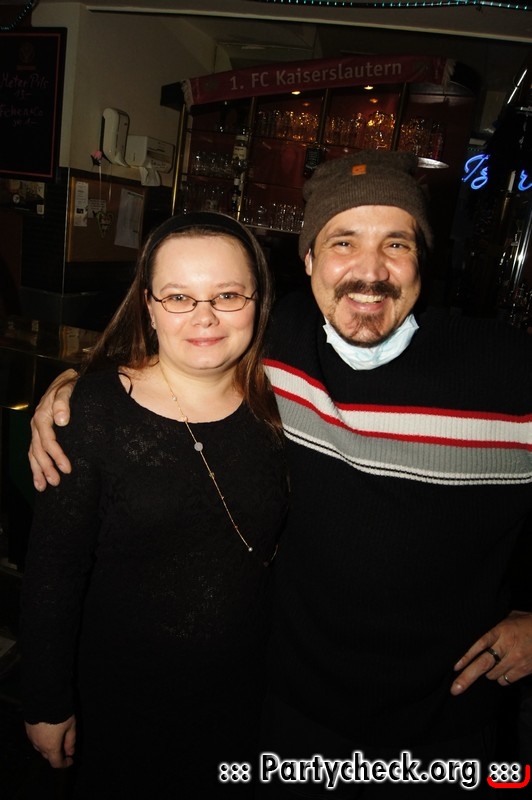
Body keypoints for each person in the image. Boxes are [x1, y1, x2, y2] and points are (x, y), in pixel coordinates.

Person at [28, 152, 532, 797]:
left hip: (445, 724)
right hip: (290, 713)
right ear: (309, 261)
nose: (370, 271)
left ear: (422, 261)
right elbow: (185, 336)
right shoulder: (281, 348)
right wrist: (74, 385)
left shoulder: (509, 371)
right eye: (343, 242)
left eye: (396, 244)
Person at [20, 211, 289, 799]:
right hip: (119, 700)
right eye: (178, 297)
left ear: (258, 300)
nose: (204, 317)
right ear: (148, 305)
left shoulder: (287, 405)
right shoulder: (92, 411)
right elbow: (53, 571)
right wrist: (44, 700)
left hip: (248, 699)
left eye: (227, 295)